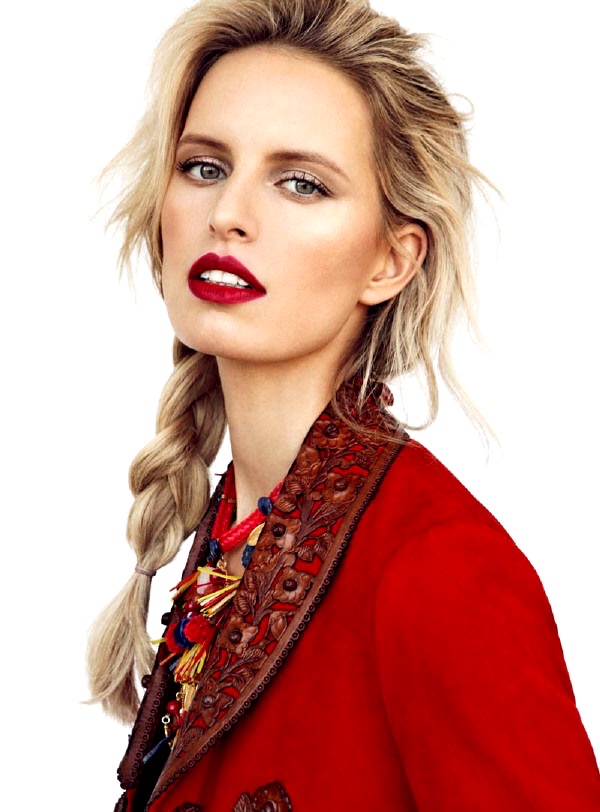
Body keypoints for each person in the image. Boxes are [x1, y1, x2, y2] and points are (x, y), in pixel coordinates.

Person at [87, 0, 600, 809]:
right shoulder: (227, 531)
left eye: (302, 183)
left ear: (391, 261)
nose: (228, 214)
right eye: (205, 167)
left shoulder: (439, 572)